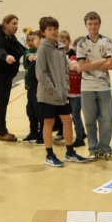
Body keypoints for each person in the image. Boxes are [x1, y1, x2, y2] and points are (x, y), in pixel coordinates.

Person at [36, 16, 89, 167]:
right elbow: (40, 73)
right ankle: (49, 155)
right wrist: (52, 89)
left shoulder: (60, 47)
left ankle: (70, 152)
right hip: (48, 94)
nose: (53, 31)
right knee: (49, 123)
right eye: (49, 29)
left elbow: (65, 70)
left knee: (67, 120)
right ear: (43, 32)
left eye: (55, 28)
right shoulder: (43, 48)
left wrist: (65, 87)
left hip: (61, 94)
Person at [77, 11, 112, 161]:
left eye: (96, 23)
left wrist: (91, 64)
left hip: (104, 86)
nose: (93, 26)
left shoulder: (107, 41)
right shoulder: (81, 44)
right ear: (85, 25)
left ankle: (105, 148)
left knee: (107, 119)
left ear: (100, 24)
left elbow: (111, 65)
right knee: (89, 120)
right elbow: (81, 67)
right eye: (90, 24)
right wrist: (102, 61)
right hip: (87, 87)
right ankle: (93, 149)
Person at [0, 14, 25, 141]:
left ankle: (0, 128)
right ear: (5, 24)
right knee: (3, 100)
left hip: (7, 73)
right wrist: (6, 56)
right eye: (13, 24)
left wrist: (33, 51)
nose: (16, 26)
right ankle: (2, 132)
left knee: (4, 100)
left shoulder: (11, 37)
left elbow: (21, 48)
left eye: (17, 24)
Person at [60, 30, 86, 147]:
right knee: (73, 114)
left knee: (76, 115)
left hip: (79, 92)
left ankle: (80, 137)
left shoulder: (83, 60)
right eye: (75, 46)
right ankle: (81, 133)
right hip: (70, 91)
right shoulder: (71, 57)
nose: (76, 48)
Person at [22, 30, 44, 143]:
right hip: (31, 87)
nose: (32, 42)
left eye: (34, 39)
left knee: (39, 112)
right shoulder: (31, 53)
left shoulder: (43, 52)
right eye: (30, 40)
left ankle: (42, 134)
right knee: (30, 110)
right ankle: (33, 131)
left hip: (38, 87)